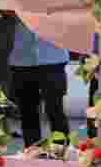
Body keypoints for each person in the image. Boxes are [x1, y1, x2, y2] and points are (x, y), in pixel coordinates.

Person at [8, 18, 71, 147]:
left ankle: (61, 151)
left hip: (54, 57)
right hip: (22, 59)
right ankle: (32, 151)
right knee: (27, 111)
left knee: (55, 109)